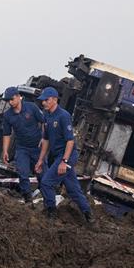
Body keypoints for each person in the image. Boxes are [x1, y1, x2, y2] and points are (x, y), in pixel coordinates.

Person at [34, 87, 93, 223]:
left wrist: (64, 161)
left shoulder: (63, 116)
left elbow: (70, 141)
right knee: (73, 189)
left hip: (67, 156)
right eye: (42, 101)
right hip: (57, 156)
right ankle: (89, 216)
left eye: (46, 100)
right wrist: (40, 160)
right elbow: (46, 140)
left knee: (46, 183)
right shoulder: (47, 115)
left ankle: (51, 213)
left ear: (55, 100)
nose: (43, 103)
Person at [0, 86, 45, 203]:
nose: (10, 102)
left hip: (37, 147)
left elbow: (44, 121)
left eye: (12, 99)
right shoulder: (7, 116)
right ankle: (28, 199)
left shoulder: (32, 107)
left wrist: (44, 138)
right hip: (22, 149)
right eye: (7, 100)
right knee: (23, 174)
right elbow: (6, 134)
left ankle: (46, 198)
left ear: (19, 97)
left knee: (42, 175)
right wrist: (5, 151)